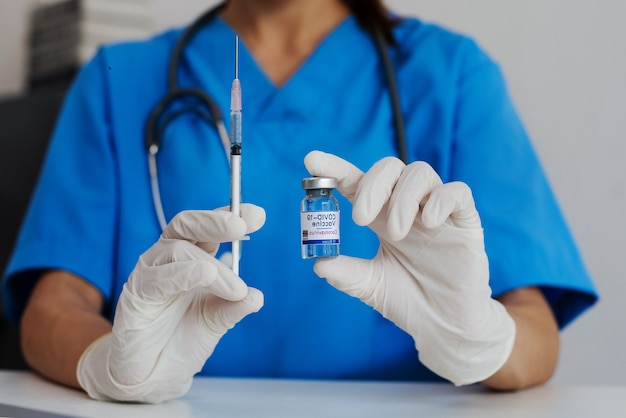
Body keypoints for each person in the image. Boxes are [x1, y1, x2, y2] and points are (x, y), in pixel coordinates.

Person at [1, 0, 597, 404]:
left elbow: (536, 337)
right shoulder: (120, 79)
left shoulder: (450, 74)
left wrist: (481, 338)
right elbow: (50, 310)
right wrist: (110, 365)